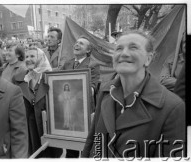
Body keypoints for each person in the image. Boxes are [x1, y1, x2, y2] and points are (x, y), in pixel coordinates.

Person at [81, 30, 185, 158]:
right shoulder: (106, 91)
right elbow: (94, 140)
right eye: (118, 48)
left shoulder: (173, 107)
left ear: (148, 58)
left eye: (133, 48)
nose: (124, 53)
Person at [12, 47, 63, 158]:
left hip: (47, 125)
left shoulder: (53, 77)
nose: (28, 59)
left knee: (50, 155)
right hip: (27, 125)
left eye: (32, 56)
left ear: (41, 58)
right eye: (27, 56)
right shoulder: (17, 78)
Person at [60, 35, 100, 158]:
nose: (77, 44)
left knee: (84, 145)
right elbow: (58, 82)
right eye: (76, 42)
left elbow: (93, 87)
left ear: (88, 50)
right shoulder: (67, 63)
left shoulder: (93, 64)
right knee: (71, 145)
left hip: (84, 110)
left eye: (81, 43)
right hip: (68, 108)